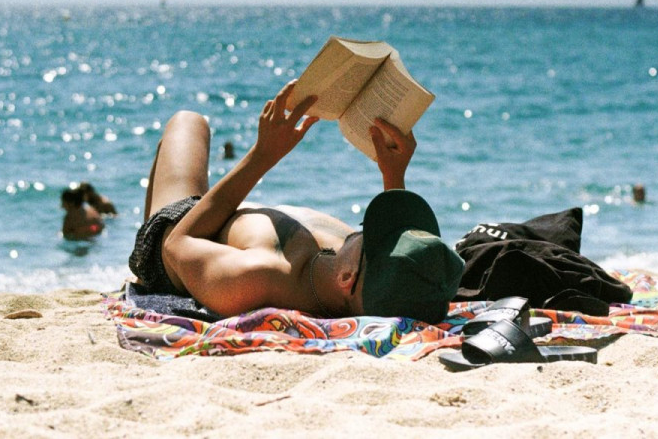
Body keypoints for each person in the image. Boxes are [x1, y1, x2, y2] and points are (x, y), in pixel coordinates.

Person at [128, 80, 465, 323]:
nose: (366, 228)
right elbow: (402, 265)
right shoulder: (348, 274)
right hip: (232, 220)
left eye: (372, 235)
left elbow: (178, 244)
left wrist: (263, 156)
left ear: (348, 277)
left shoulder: (256, 276)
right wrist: (394, 172)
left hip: (178, 230)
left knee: (189, 121)